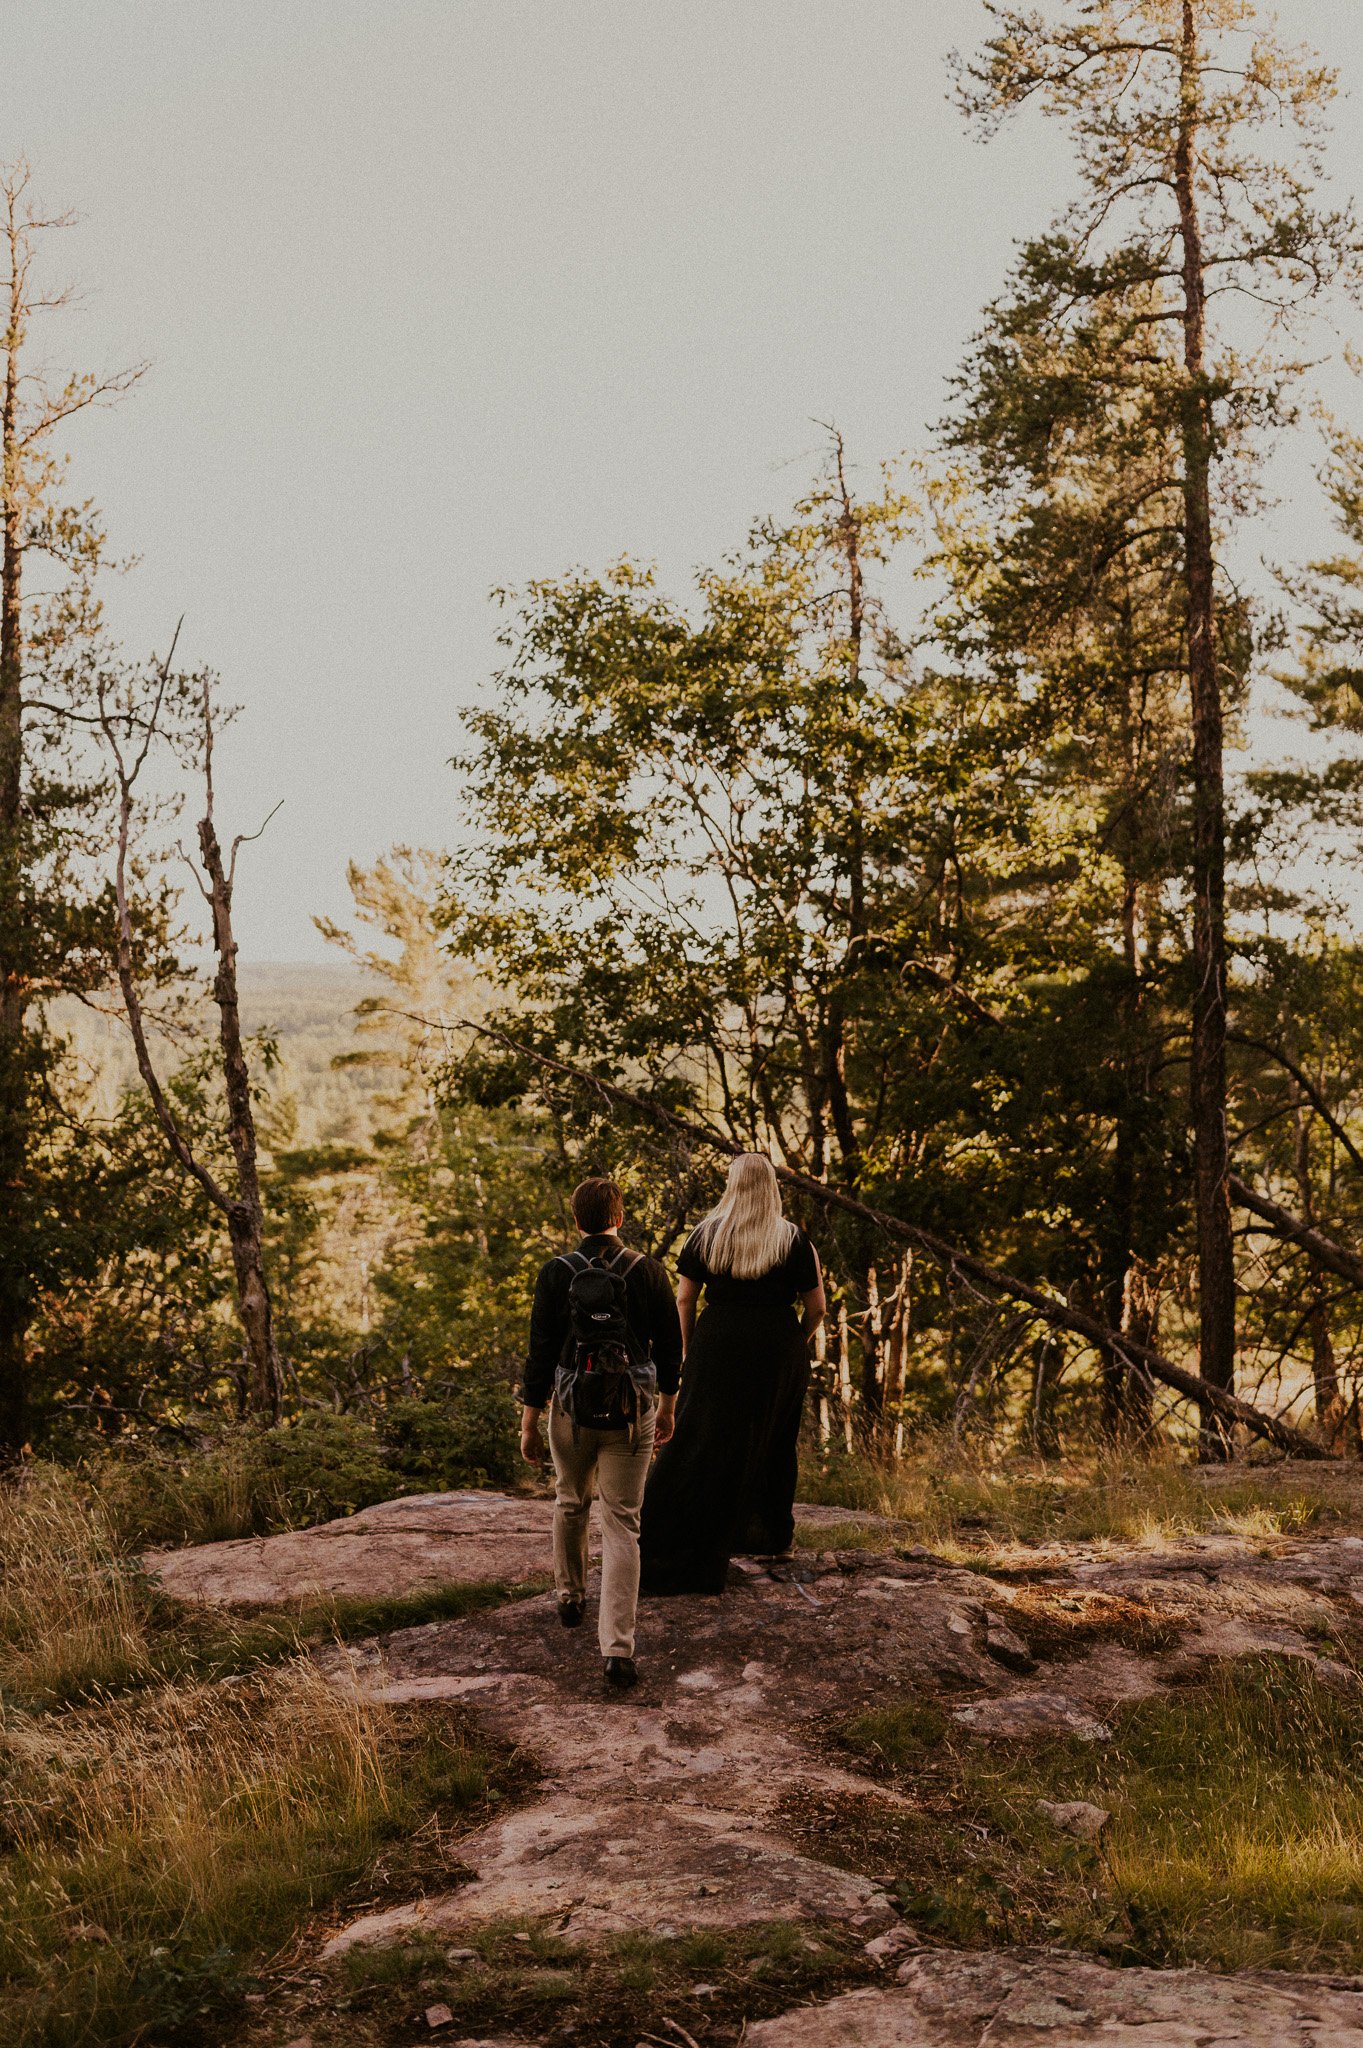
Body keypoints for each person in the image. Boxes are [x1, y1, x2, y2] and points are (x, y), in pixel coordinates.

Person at [519, 1175, 682, 1689]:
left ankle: (570, 1596)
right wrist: (669, 1407)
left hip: (570, 1411)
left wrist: (529, 1418)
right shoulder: (648, 1271)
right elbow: (672, 1349)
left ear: (576, 1220)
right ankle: (617, 1651)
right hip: (631, 1412)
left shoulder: (555, 1273)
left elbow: (540, 1352)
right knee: (622, 1524)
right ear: (621, 1217)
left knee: (571, 1500)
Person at [639, 1153, 825, 1596]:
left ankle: (680, 1528)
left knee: (701, 1436)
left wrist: (688, 1347)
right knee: (774, 1439)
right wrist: (793, 1344)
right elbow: (816, 1308)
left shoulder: (707, 1233)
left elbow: (684, 1300)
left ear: (732, 1185)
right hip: (777, 1346)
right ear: (772, 1188)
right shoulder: (793, 1238)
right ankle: (772, 1538)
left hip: (718, 1344)